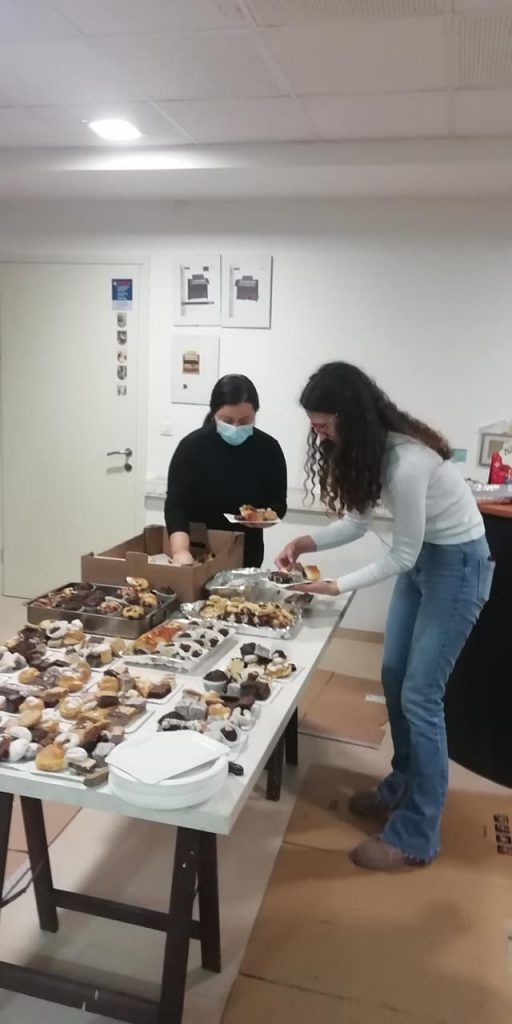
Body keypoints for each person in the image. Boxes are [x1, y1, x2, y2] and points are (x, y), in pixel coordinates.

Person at [276, 362, 493, 872]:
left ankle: (417, 833)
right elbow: (357, 524)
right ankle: (402, 782)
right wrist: (305, 540)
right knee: (394, 676)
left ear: (350, 417)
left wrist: (336, 585)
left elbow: (402, 554)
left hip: (457, 567)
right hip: (425, 564)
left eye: (323, 426)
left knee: (421, 695)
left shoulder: (408, 462)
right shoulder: (370, 451)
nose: (320, 436)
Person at [165, 374, 287, 568]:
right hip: (199, 549)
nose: (236, 427)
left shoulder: (268, 449)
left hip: (247, 550)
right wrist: (180, 551)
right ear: (214, 414)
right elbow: (176, 506)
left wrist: (266, 517)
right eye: (227, 420)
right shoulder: (192, 447)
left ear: (255, 414)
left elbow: (278, 503)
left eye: (245, 421)